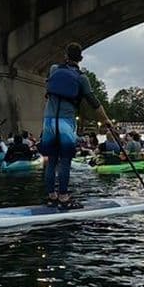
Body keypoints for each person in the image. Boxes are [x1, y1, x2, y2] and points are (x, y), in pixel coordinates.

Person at [40, 42, 112, 209]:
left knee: (51, 161)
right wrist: (106, 120)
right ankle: (64, 198)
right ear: (80, 58)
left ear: (65, 55)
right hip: (66, 122)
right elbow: (94, 103)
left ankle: (51, 197)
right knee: (65, 161)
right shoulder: (82, 78)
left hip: (49, 120)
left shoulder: (53, 69)